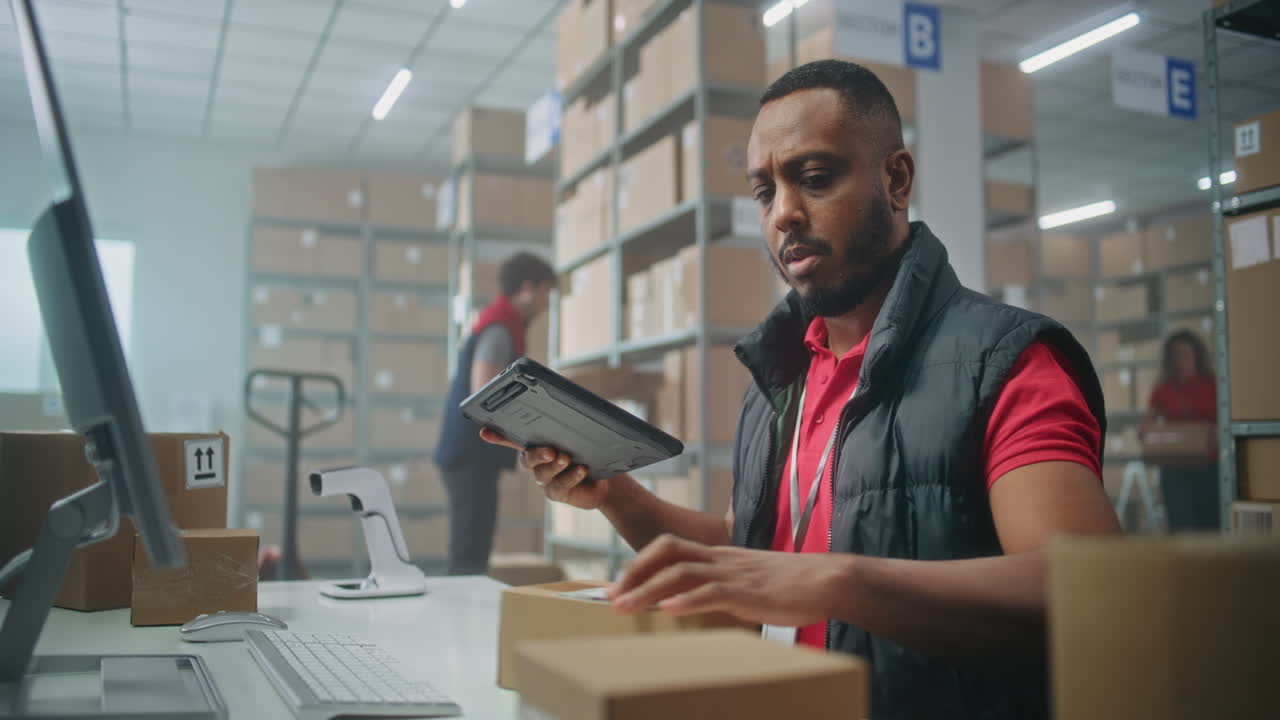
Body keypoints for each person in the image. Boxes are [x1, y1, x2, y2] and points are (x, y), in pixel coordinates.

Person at [484, 60, 1121, 719]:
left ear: (896, 180)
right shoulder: (779, 376)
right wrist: (614, 492)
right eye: (764, 192)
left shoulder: (1007, 360)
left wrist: (839, 579)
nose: (784, 213)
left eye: (814, 179)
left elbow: (1090, 591)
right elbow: (748, 555)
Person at [435, 251, 555, 575]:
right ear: (527, 289)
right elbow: (483, 394)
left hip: (473, 455)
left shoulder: (504, 324)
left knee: (474, 550)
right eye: (545, 293)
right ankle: (460, 609)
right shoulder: (500, 329)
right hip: (469, 455)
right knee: (469, 555)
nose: (546, 304)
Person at [1143, 330, 1219, 530]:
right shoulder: (1163, 389)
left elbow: (1224, 424)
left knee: (1211, 525)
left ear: (1196, 356)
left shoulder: (1212, 385)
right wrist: (1149, 436)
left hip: (1208, 466)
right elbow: (1146, 426)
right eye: (1175, 355)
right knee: (1181, 526)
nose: (1180, 360)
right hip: (1174, 469)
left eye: (1185, 354)